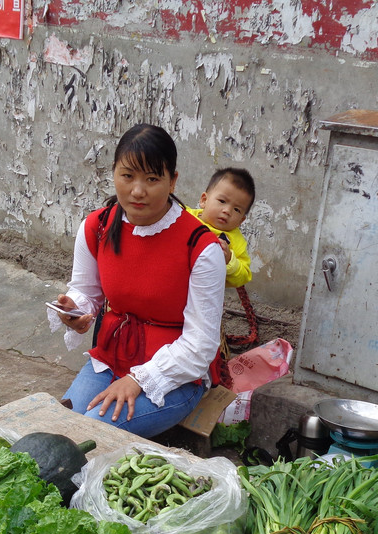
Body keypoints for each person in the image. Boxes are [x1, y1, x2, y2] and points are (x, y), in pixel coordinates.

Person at [48, 123, 227, 437]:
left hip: (174, 377)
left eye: (152, 179)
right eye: (127, 176)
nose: (137, 190)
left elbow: (200, 346)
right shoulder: (96, 227)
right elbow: (87, 292)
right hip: (109, 359)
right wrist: (74, 311)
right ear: (114, 173)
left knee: (91, 435)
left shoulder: (201, 249)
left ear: (173, 181)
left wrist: (138, 380)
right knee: (63, 428)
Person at [186, 167, 255, 289]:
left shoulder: (235, 241)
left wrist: (229, 260)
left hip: (204, 293)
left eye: (237, 209)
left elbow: (244, 276)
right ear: (204, 200)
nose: (227, 211)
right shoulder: (184, 216)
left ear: (241, 220)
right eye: (222, 201)